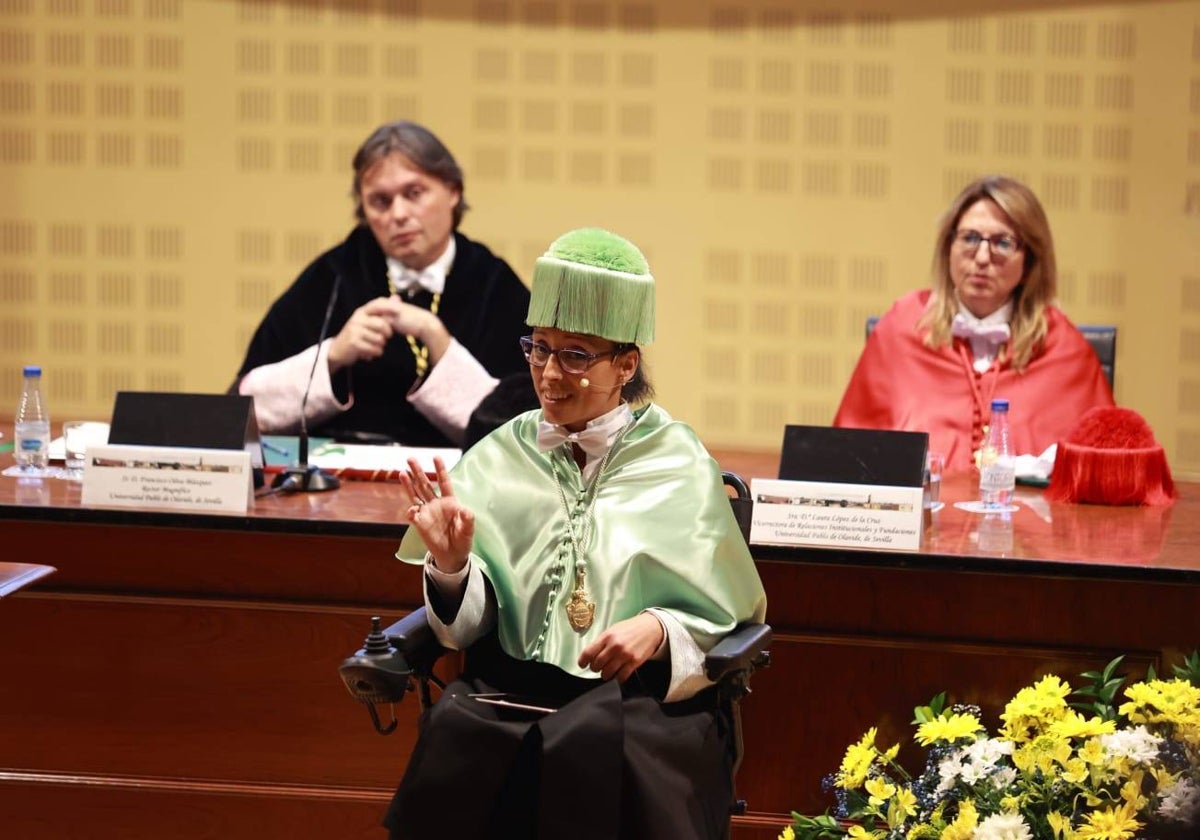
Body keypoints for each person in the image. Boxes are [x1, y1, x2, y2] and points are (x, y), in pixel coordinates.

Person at [383, 228, 768, 839]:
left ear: (626, 364)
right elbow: (467, 631)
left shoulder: (678, 462)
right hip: (508, 701)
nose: (549, 374)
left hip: (634, 708)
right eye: (539, 349)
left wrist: (660, 629)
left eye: (576, 355)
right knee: (457, 737)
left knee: (599, 756)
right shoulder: (498, 455)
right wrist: (453, 567)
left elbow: (723, 619)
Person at [233, 120, 535, 448]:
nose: (399, 214)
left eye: (414, 193)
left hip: (458, 487)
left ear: (453, 191)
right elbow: (244, 411)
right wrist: (333, 355)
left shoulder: (494, 284)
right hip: (337, 483)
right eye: (381, 201)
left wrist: (437, 340)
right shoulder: (334, 276)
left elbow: (523, 436)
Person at [833, 175, 1114, 473]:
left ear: (1030, 258)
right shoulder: (901, 328)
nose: (982, 258)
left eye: (1002, 243)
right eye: (969, 238)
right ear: (948, 247)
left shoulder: (1064, 346)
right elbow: (845, 461)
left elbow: (1103, 471)